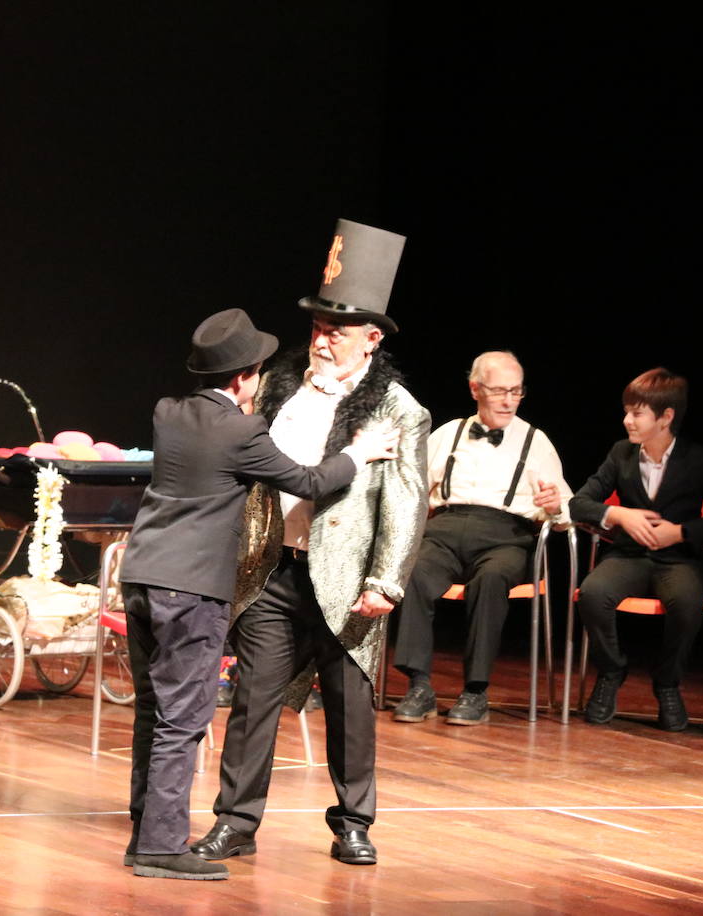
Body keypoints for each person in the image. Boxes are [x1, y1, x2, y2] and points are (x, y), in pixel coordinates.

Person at [118, 307, 399, 881]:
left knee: (153, 710)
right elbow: (311, 481)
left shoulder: (167, 413)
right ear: (247, 377)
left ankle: (146, 827)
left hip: (141, 576)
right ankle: (162, 845)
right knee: (182, 717)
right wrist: (360, 453)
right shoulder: (243, 431)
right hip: (190, 588)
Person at [193, 219, 430, 868]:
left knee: (350, 708)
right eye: (319, 327)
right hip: (275, 573)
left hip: (349, 583)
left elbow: (407, 504)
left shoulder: (399, 411)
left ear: (373, 339)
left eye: (338, 331)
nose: (323, 340)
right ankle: (235, 823)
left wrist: (386, 580)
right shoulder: (280, 389)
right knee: (252, 700)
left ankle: (354, 823)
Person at [390, 351, 572, 725]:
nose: (508, 401)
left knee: (490, 580)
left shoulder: (536, 441)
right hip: (446, 529)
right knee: (414, 572)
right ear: (475, 388)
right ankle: (419, 686)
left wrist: (554, 505)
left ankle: (475, 691)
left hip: (506, 538)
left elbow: (566, 508)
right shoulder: (448, 433)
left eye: (516, 392)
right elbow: (413, 489)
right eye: (500, 391)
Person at [569, 367, 703, 730]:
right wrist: (619, 514)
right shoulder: (621, 454)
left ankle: (667, 682)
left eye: (636, 413)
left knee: (685, 602)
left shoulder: (697, 459)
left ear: (665, 417)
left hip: (677, 560)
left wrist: (680, 532)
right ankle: (611, 671)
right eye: (627, 411)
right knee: (592, 593)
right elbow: (579, 503)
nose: (627, 420)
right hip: (629, 556)